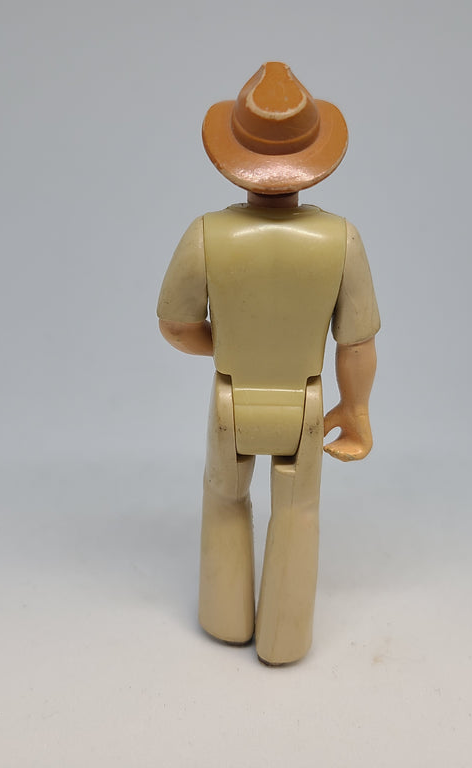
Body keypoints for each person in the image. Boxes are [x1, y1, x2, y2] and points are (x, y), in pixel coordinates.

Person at [157, 62, 380, 665]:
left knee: (224, 500)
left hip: (233, 395)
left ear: (231, 155)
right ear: (316, 157)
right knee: (298, 512)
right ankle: (285, 638)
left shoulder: (207, 234)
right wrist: (356, 410)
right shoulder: (341, 240)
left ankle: (224, 616)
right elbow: (356, 343)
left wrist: (231, 344)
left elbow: (176, 325)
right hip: (303, 401)